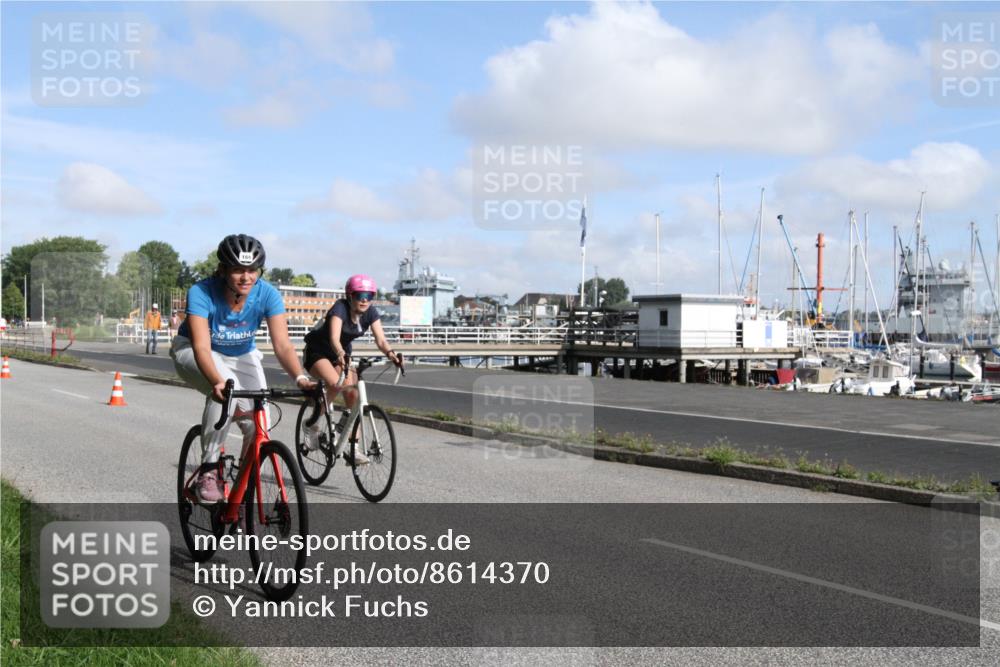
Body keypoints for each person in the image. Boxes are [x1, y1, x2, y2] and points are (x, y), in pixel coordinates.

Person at [171, 234, 314, 503]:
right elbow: (202, 348)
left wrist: (301, 377)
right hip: (192, 350)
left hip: (242, 353)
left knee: (260, 422)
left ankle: (242, 485)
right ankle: (209, 469)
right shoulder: (201, 292)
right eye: (238, 269)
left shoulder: (267, 293)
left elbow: (282, 345)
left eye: (252, 270)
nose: (246, 277)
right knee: (226, 388)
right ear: (223, 269)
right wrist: (216, 380)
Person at [301, 274, 401, 463]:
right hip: (318, 352)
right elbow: (334, 339)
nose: (364, 300)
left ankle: (352, 448)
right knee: (335, 383)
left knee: (354, 395)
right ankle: (311, 424)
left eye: (369, 295)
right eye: (360, 294)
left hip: (342, 356)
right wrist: (340, 354)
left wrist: (391, 354)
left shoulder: (370, 312)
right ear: (350, 295)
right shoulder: (340, 308)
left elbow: (381, 339)